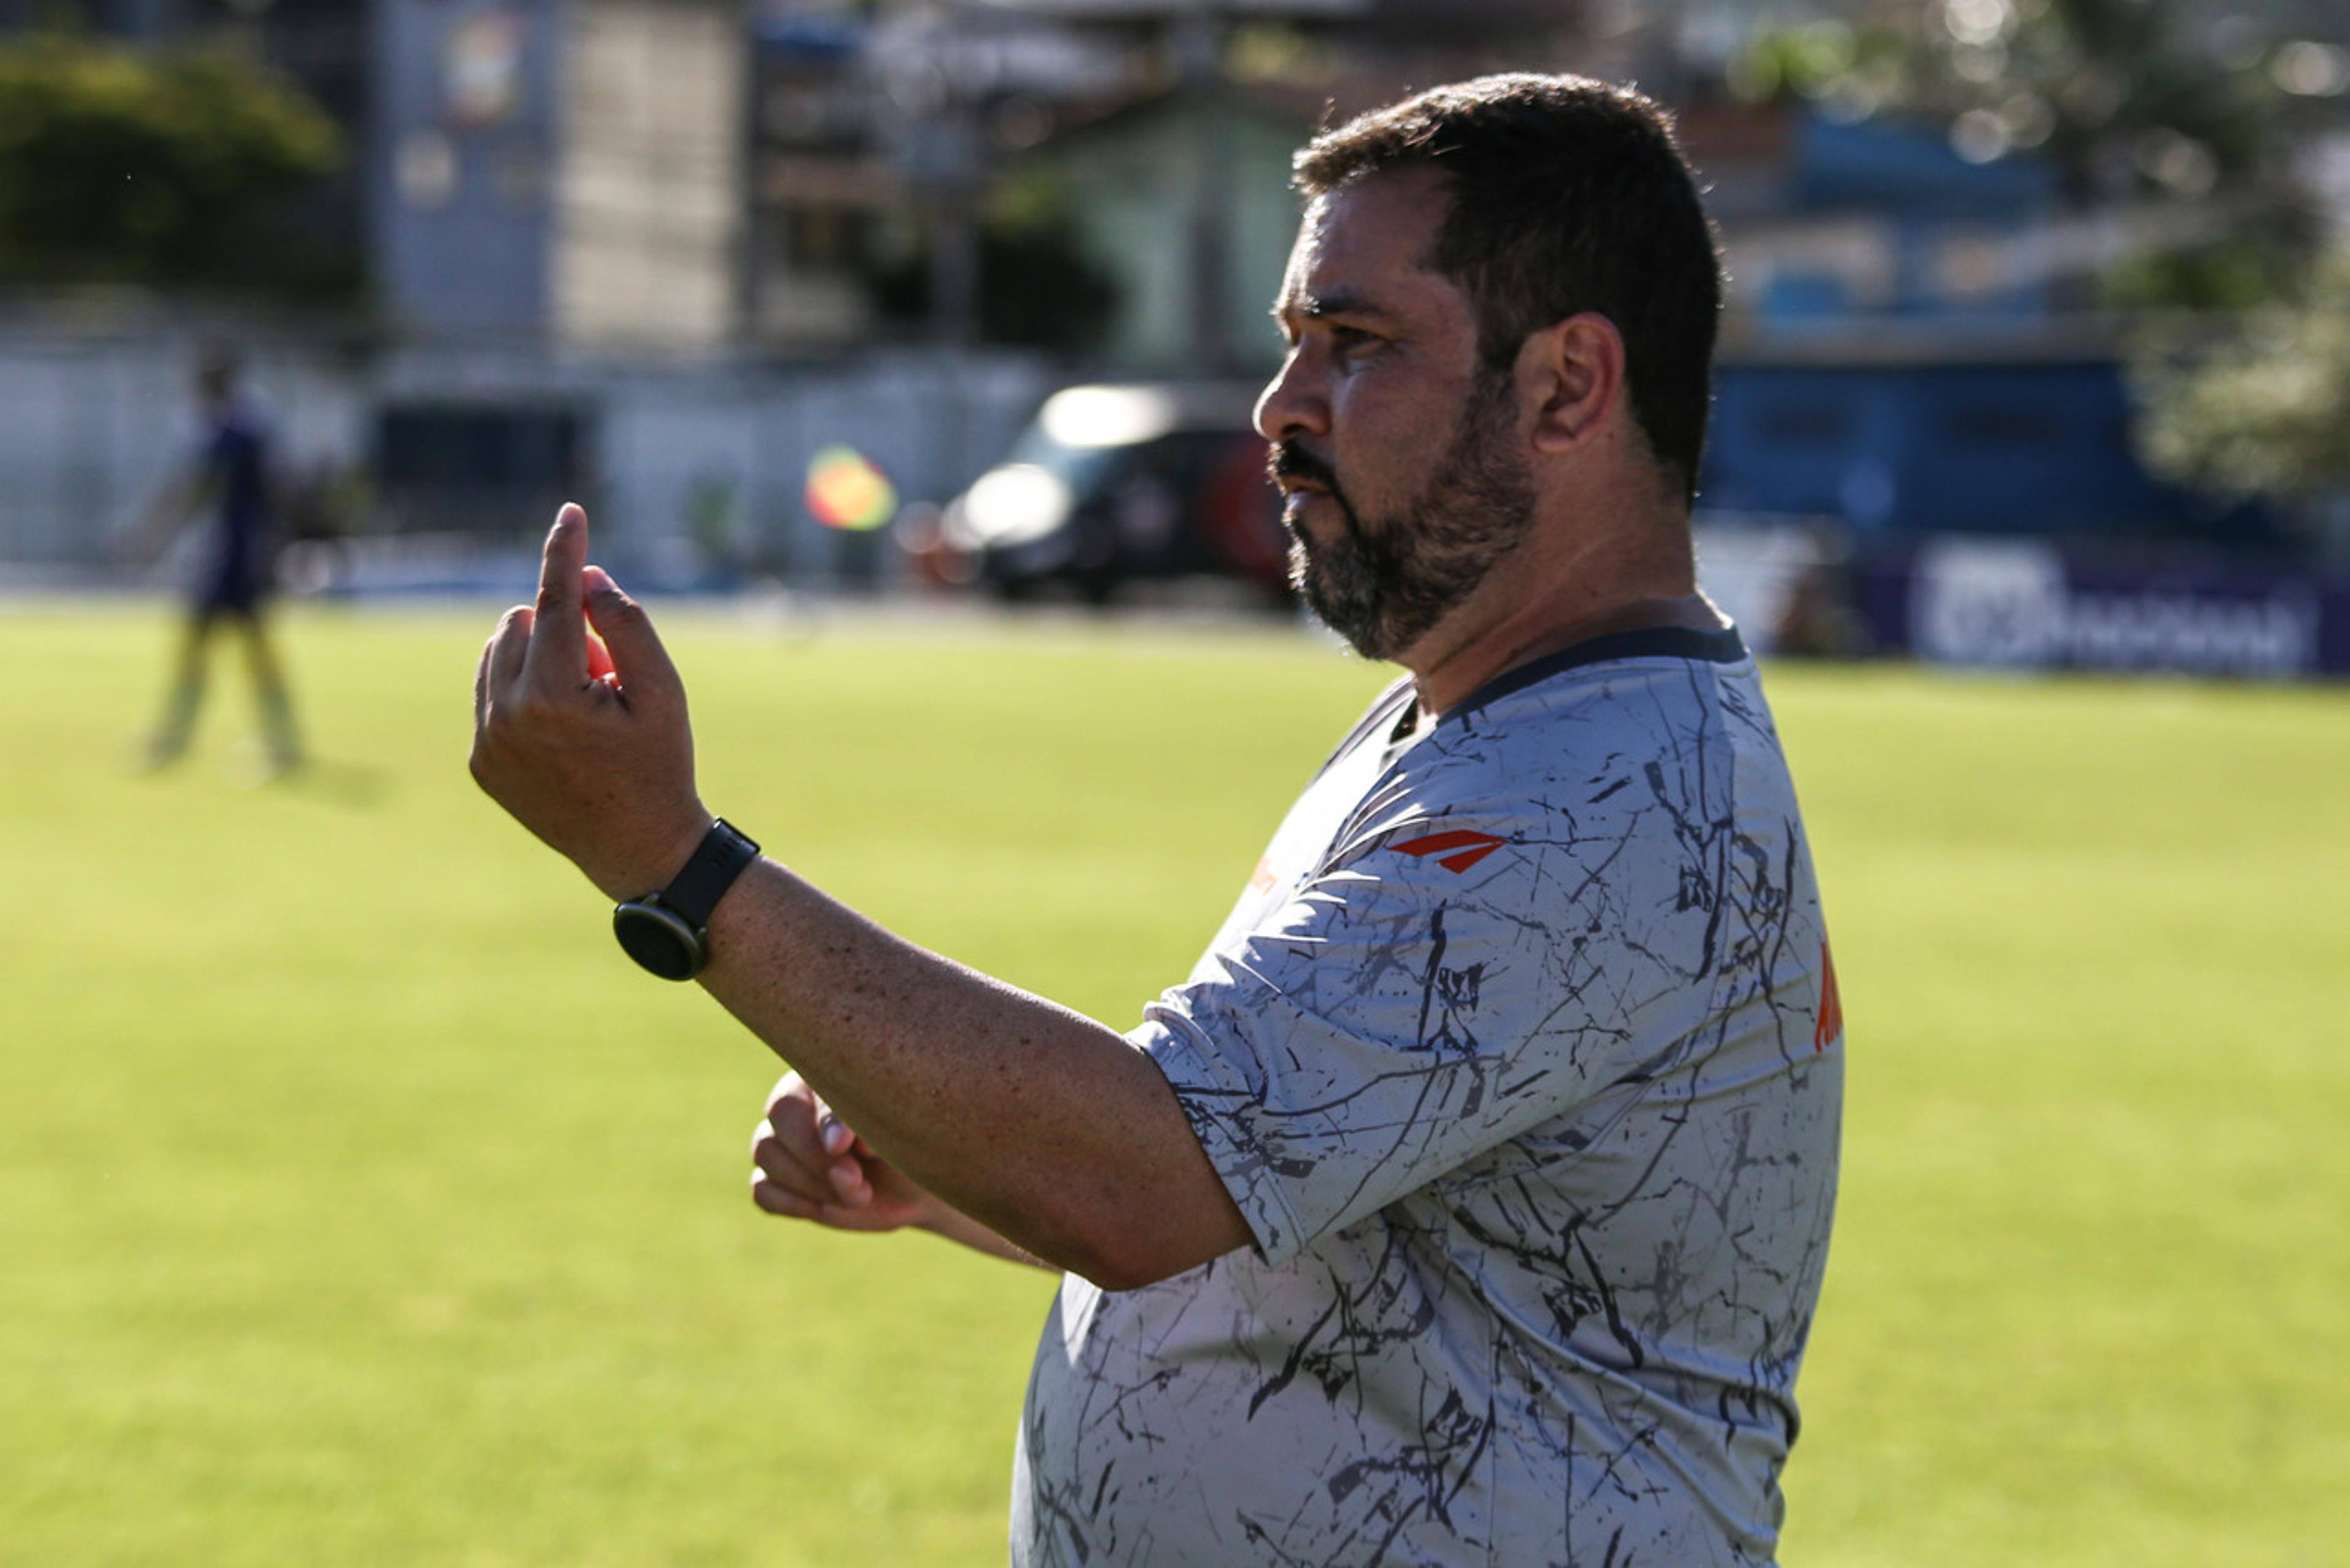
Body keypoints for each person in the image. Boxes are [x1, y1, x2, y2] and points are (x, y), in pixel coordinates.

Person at [471, 73, 1843, 1567]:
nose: (1279, 406)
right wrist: (959, 1172)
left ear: (1567, 387)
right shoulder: (1488, 719)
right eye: (1290, 341)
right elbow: (1284, 1199)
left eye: (1356, 342)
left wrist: (672, 862)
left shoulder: (1590, 790)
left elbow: (1145, 1176)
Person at [127, 341, 303, 777]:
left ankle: (177, 740)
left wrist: (153, 538)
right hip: (240, 554)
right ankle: (279, 743)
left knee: (214, 649)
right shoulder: (251, 425)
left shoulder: (230, 432)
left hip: (234, 558)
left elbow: (196, 491)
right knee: (234, 650)